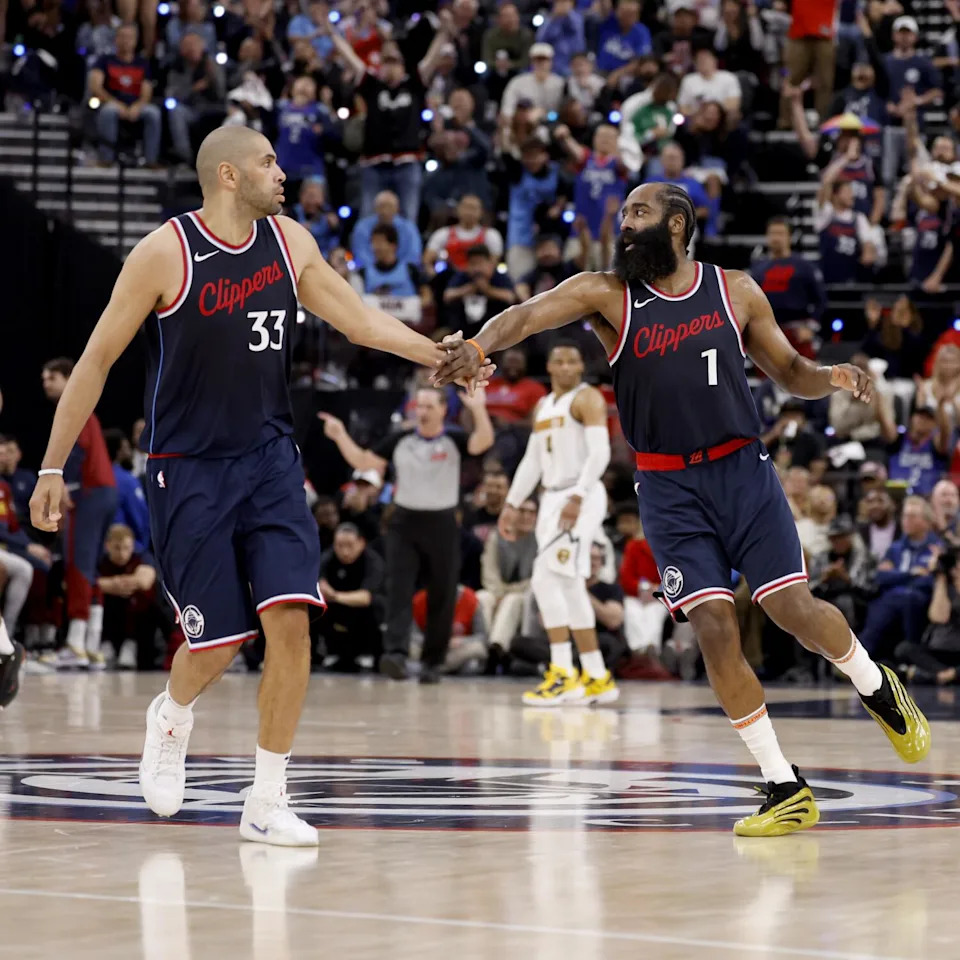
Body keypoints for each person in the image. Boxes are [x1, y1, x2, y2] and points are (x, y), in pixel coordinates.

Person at [29, 125, 491, 846]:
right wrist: (53, 467)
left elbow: (362, 319)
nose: (285, 173)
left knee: (292, 619)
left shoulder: (291, 243)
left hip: (271, 458)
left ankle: (267, 797)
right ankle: (172, 715)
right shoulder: (164, 253)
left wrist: (440, 355)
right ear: (228, 175)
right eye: (269, 162)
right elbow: (94, 361)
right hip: (189, 468)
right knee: (216, 644)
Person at [434, 179, 930, 837]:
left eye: (638, 212)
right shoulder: (607, 292)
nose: (625, 225)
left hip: (742, 473)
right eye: (623, 214)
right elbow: (527, 313)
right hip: (668, 489)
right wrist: (478, 346)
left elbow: (789, 371)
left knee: (792, 609)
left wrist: (831, 377)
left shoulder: (735, 290)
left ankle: (876, 686)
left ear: (677, 224)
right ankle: (783, 784)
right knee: (715, 628)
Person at [319, 387, 494, 683]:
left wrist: (478, 409)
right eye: (419, 406)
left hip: (442, 521)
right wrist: (339, 436)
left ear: (442, 410)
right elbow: (363, 461)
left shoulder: (453, 440)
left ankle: (432, 662)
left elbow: (482, 442)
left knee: (443, 590)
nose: (422, 411)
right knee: (399, 587)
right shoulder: (400, 439)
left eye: (428, 406)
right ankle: (396, 655)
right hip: (404, 520)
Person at [495, 342, 617, 706]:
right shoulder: (544, 405)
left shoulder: (588, 398)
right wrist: (512, 503)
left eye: (573, 360)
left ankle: (563, 672)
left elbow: (601, 453)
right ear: (548, 367)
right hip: (551, 497)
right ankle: (596, 676)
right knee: (568, 585)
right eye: (559, 361)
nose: (566, 367)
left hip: (579, 494)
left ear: (581, 366)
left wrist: (578, 496)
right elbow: (532, 461)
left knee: (544, 578)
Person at [41, 357, 117, 670]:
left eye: (51, 377)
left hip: (87, 491)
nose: (45, 383)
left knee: (78, 565)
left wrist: (65, 486)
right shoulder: (88, 403)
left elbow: (77, 448)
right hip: (105, 490)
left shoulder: (74, 403)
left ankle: (74, 643)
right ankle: (91, 644)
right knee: (90, 566)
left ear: (69, 377)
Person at [860, 496, 942, 660]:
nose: (906, 521)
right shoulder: (896, 548)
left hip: (923, 599)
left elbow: (931, 581)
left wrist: (896, 576)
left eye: (912, 516)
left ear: (926, 522)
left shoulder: (936, 548)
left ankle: (866, 654)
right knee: (882, 600)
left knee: (905, 597)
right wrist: (911, 573)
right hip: (894, 597)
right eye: (904, 516)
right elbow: (881, 577)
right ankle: (864, 654)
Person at [750, 217, 826, 356]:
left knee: (804, 375)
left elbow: (820, 300)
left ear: (789, 237)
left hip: (797, 331)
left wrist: (811, 327)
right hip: (768, 332)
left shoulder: (804, 266)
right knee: (767, 377)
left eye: (780, 233)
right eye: (772, 233)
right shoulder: (758, 269)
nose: (776, 238)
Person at [88, 24, 162, 166]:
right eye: (122, 37)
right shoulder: (104, 60)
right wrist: (117, 104)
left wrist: (137, 106)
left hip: (135, 105)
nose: (125, 41)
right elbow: (95, 87)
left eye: (129, 37)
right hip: (110, 102)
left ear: (135, 41)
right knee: (108, 111)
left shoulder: (142, 63)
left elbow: (146, 92)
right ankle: (106, 159)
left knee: (153, 113)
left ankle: (151, 160)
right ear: (115, 39)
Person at [317, 522, 385, 670]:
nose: (345, 551)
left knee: (376, 606)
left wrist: (335, 596)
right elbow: (318, 586)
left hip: (363, 616)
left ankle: (373, 655)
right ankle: (317, 655)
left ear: (361, 543)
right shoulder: (327, 558)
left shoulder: (373, 561)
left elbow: (365, 597)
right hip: (335, 613)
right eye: (339, 545)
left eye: (349, 545)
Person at [98, 523, 159, 669]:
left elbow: (146, 581)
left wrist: (118, 583)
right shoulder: (100, 561)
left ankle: (130, 643)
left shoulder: (142, 557)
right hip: (108, 613)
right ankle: (105, 644)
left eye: (126, 548)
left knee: (144, 596)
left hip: (135, 617)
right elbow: (87, 583)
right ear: (108, 546)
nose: (122, 554)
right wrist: (111, 585)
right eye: (117, 548)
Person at [103, 428, 150, 554]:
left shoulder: (91, 479)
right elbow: (140, 518)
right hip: (128, 550)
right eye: (125, 446)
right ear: (119, 450)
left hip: (99, 550)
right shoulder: (126, 480)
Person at [350, 190, 422, 270]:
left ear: (397, 209)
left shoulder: (409, 227)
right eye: (382, 206)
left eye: (390, 206)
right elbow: (360, 254)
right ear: (375, 208)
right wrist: (377, 270)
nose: (385, 211)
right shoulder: (362, 227)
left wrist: (396, 270)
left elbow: (413, 255)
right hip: (369, 273)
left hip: (403, 273)